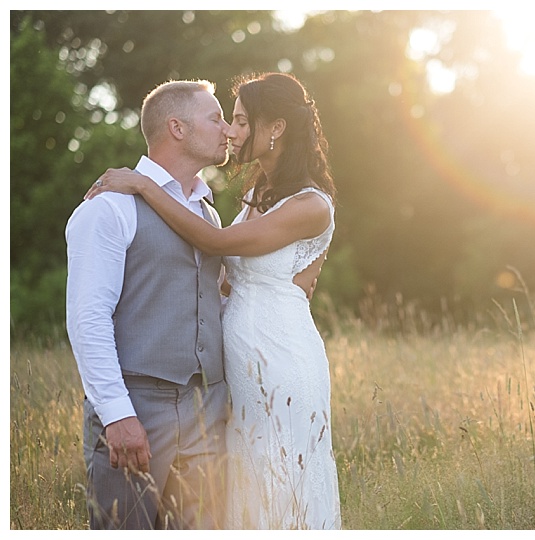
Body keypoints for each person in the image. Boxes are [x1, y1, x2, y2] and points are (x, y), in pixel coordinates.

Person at [86, 72, 342, 530]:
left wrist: (145, 185)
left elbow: (215, 242)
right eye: (227, 119)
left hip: (279, 361)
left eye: (241, 121)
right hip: (230, 377)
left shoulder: (308, 204)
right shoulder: (255, 195)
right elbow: (217, 282)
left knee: (279, 482)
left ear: (276, 128)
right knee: (243, 487)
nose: (231, 131)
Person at [66, 80, 232, 529]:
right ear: (176, 127)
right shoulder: (109, 207)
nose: (228, 131)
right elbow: (88, 318)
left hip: (206, 408)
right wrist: (117, 414)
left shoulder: (208, 214)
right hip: (138, 406)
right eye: (215, 118)